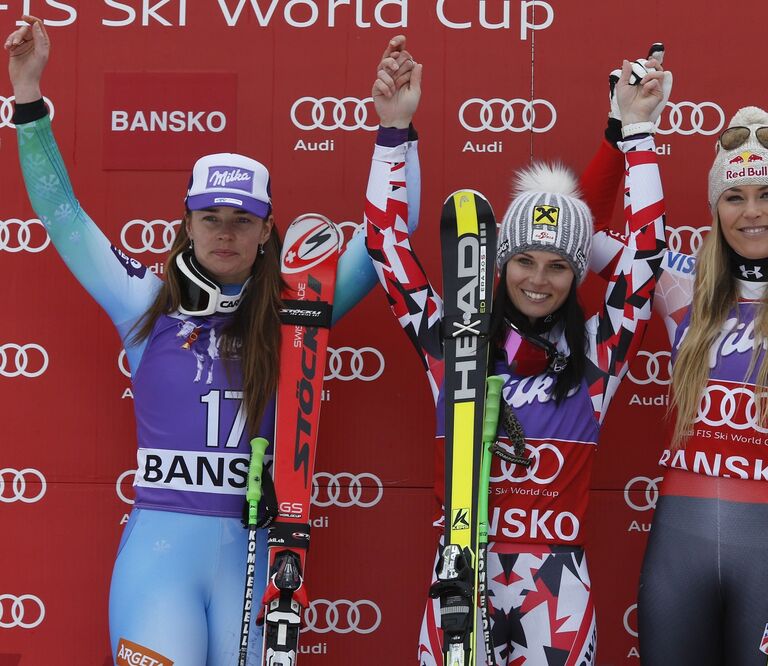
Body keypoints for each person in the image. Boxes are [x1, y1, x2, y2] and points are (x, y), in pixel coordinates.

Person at [5, 17, 409, 665]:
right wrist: (28, 96)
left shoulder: (298, 310)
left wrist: (395, 132)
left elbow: (386, 238)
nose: (226, 233)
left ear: (266, 229)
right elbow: (63, 218)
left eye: (241, 221)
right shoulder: (145, 300)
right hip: (159, 560)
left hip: (255, 558)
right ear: (188, 224)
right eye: (211, 218)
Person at [364, 37, 670, 665]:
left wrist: (638, 133)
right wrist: (394, 131)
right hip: (460, 583)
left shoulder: (596, 355)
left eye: (559, 266)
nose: (538, 278)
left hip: (557, 592)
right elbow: (385, 247)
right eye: (524, 260)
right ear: (499, 264)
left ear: (578, 273)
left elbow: (646, 257)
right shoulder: (455, 346)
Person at [584, 101, 768, 664]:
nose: (752, 213)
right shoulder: (679, 285)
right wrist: (624, 131)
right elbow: (584, 231)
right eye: (734, 197)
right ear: (716, 207)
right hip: (678, 553)